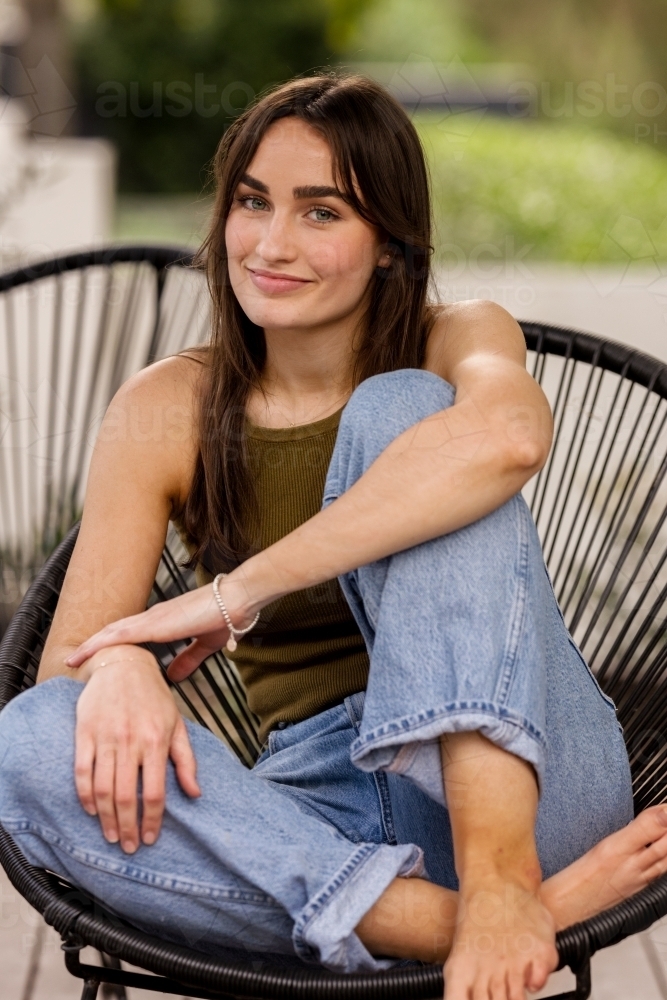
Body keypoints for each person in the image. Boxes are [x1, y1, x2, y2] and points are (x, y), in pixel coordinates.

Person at [1, 74, 666, 1000]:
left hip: (525, 769)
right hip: (320, 812)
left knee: (406, 415)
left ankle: (505, 878)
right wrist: (123, 669)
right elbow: (63, 679)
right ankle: (497, 919)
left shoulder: (456, 339)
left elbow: (510, 438)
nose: (271, 244)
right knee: (24, 746)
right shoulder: (167, 407)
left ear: (389, 243)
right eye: (252, 202)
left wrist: (237, 592)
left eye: (321, 212)